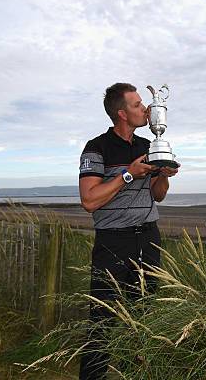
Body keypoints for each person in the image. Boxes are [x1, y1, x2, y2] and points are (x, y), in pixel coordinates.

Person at [78, 82, 179, 379]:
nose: (145, 110)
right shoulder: (97, 148)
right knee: (102, 321)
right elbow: (89, 200)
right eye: (137, 105)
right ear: (121, 113)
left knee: (144, 318)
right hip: (113, 242)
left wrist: (163, 174)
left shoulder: (147, 146)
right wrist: (128, 173)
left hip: (148, 238)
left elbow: (158, 195)